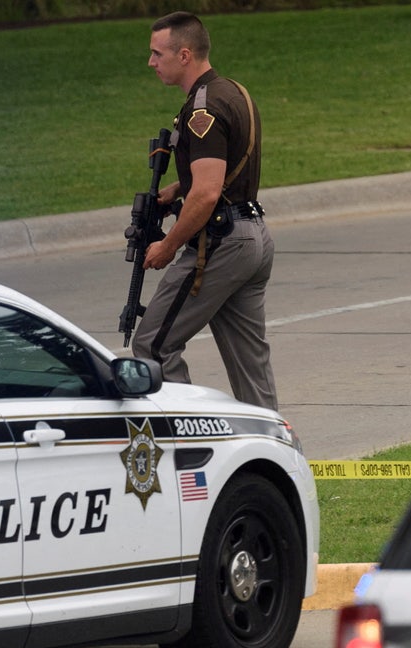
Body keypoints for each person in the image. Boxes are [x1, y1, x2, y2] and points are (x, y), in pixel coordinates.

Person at [132, 11, 278, 410]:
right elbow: (223, 170)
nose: (151, 62)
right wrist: (179, 187)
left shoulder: (202, 111)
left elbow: (208, 193)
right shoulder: (233, 92)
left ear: (183, 54)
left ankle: (193, 434)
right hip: (253, 237)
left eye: (156, 53)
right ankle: (276, 453)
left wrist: (167, 247)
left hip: (221, 242)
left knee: (152, 345)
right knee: (252, 365)